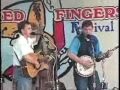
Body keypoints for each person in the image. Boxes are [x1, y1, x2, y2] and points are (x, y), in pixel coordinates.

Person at [67, 20, 113, 90]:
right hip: (80, 71)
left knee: (97, 88)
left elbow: (97, 55)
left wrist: (105, 55)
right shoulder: (78, 39)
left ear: (92, 29)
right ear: (82, 29)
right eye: (85, 29)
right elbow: (70, 53)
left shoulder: (94, 40)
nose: (88, 31)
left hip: (92, 71)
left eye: (89, 29)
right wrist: (83, 62)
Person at [12, 20, 40, 90]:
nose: (31, 30)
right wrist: (36, 63)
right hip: (22, 71)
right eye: (28, 28)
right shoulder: (20, 41)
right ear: (22, 31)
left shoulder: (28, 40)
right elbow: (26, 57)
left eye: (31, 28)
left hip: (27, 70)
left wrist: (40, 28)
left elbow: (36, 39)